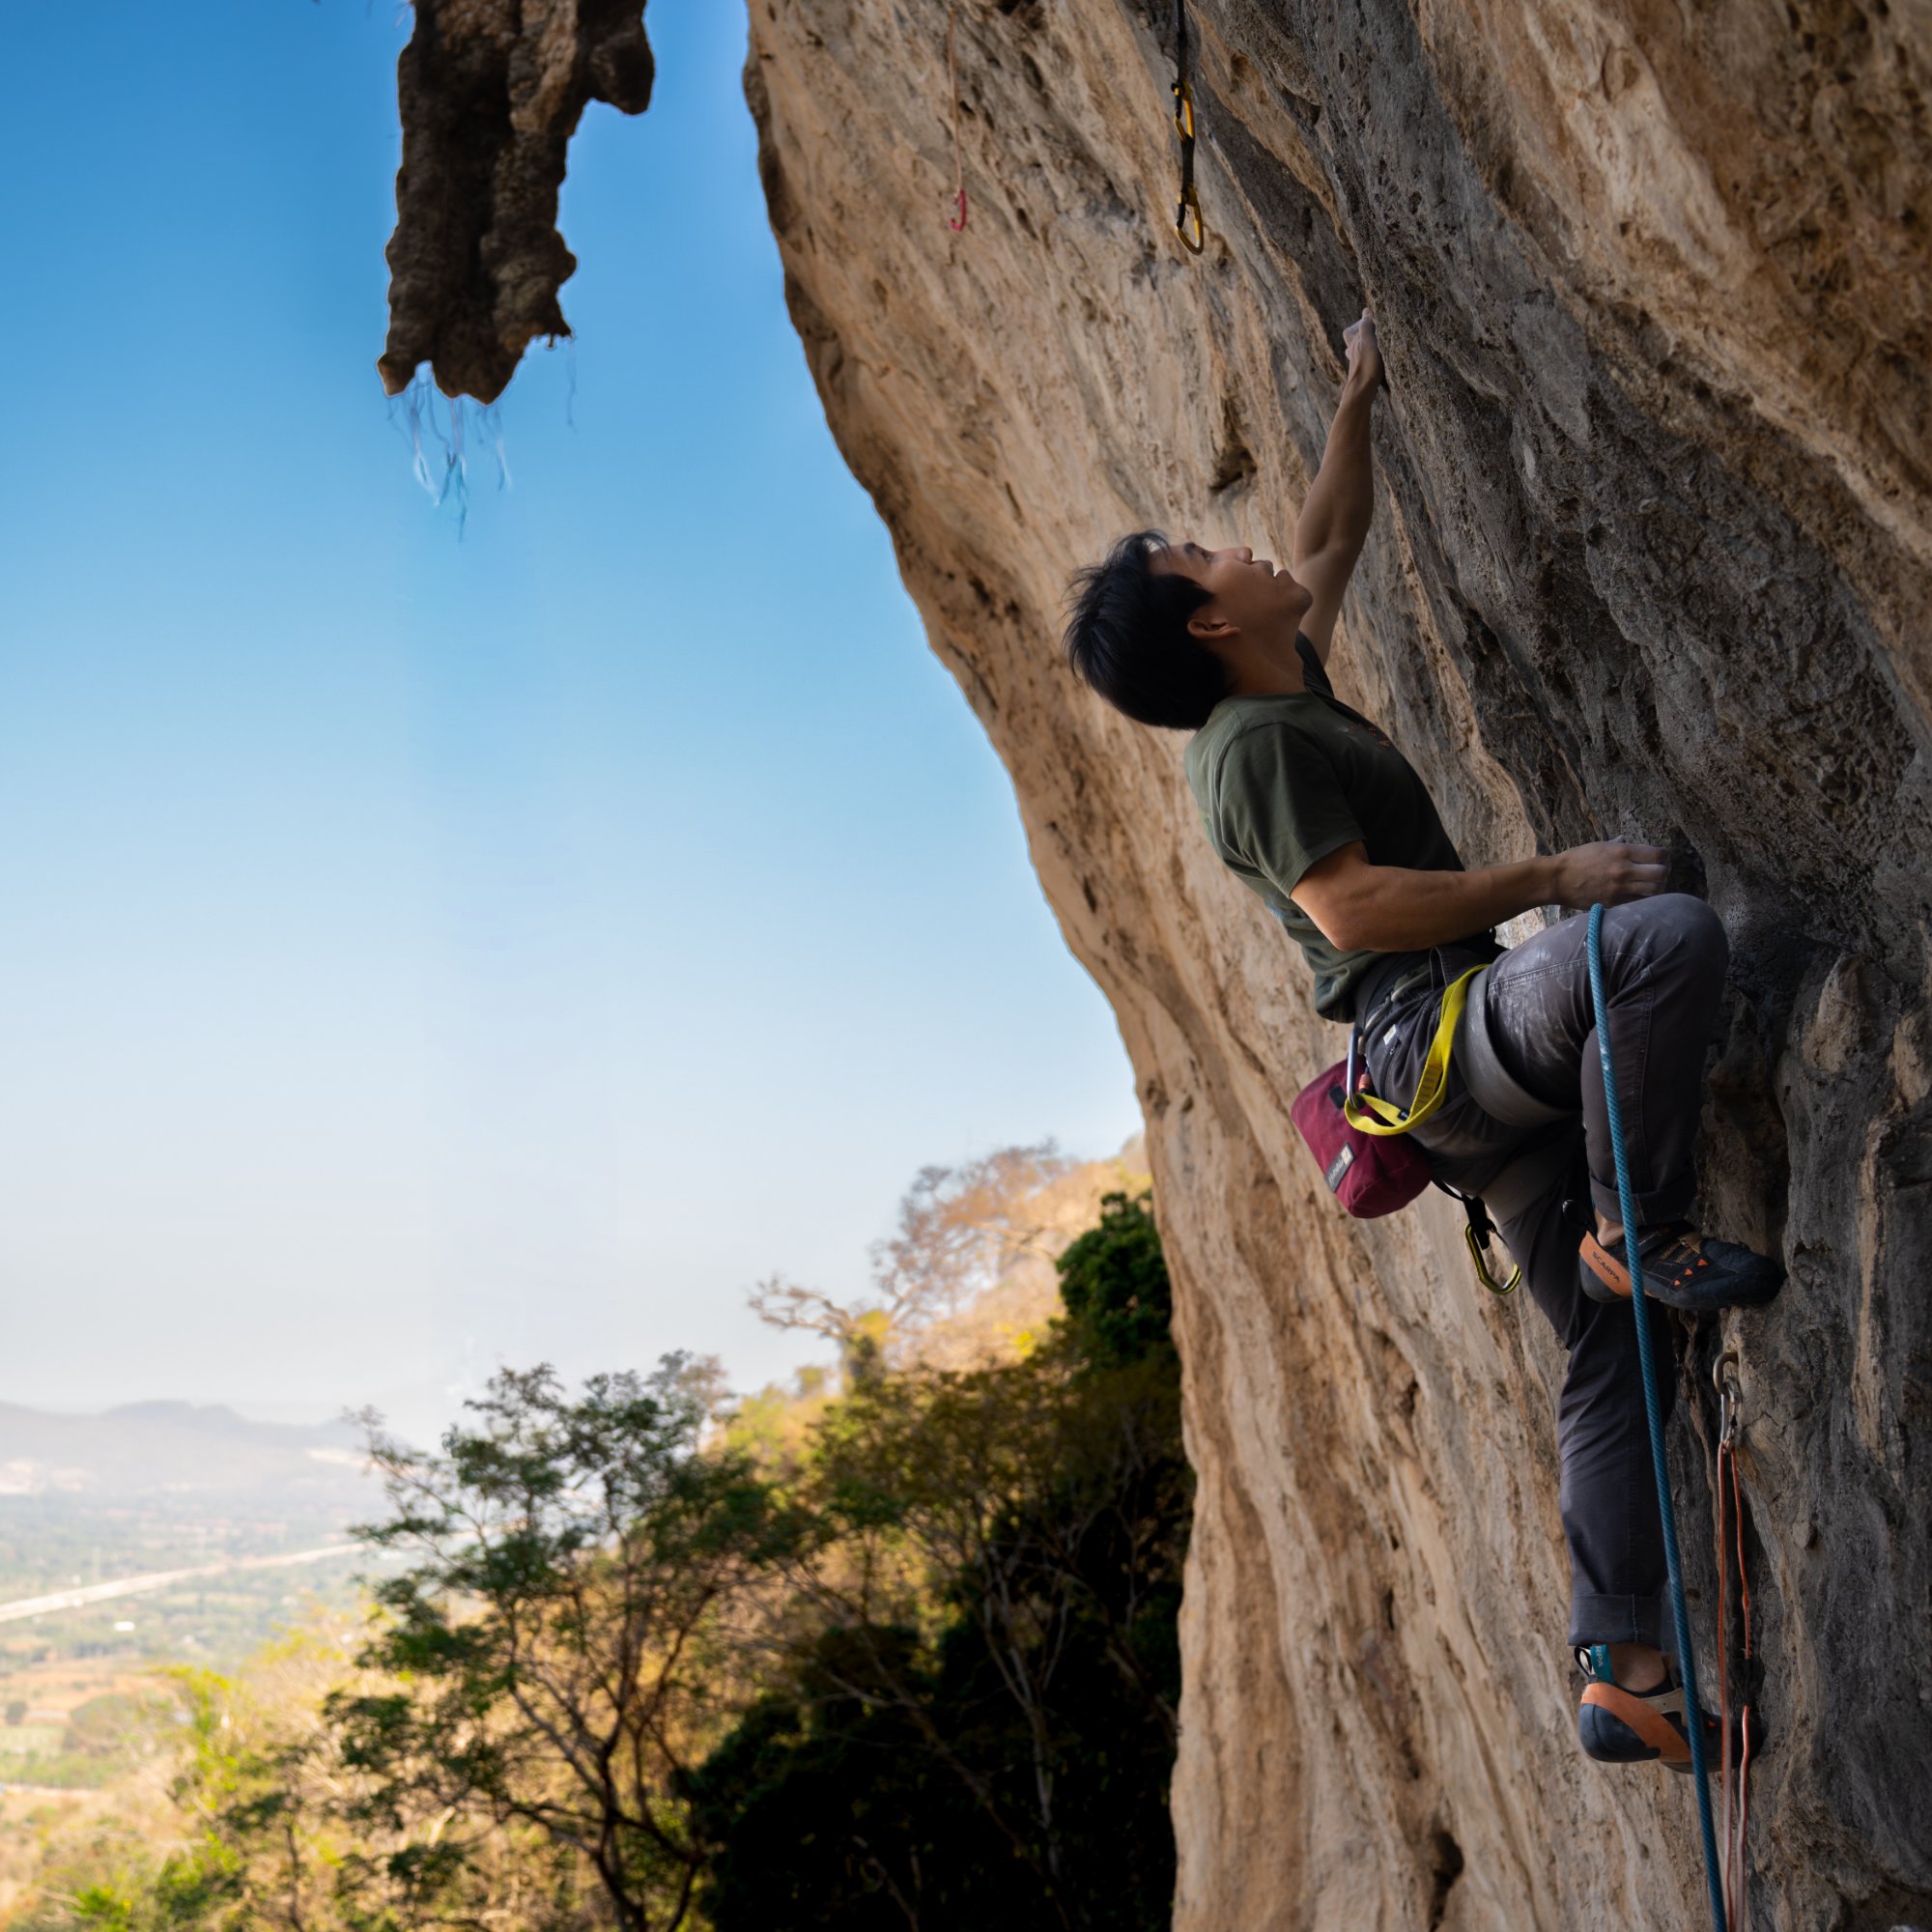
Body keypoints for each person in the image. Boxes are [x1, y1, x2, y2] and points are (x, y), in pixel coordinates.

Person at [1060, 309, 1779, 1770]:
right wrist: (1552, 882)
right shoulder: (1251, 754)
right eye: (1210, 555)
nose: (1247, 548)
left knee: (1606, 1352)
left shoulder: (1276, 683)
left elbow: (1323, 538)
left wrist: (1359, 396)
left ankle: (1623, 1673)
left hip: (1456, 1071)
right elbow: (1357, 906)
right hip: (1434, 1042)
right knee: (1654, 938)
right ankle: (1634, 1223)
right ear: (1206, 622)